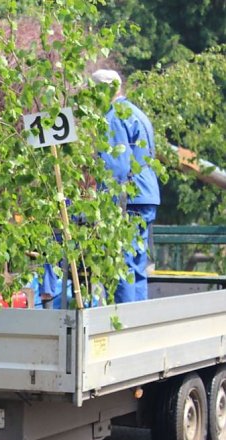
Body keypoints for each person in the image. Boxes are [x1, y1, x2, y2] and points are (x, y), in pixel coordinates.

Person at [93, 68, 160, 303]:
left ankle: (124, 320)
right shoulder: (138, 113)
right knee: (138, 263)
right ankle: (140, 319)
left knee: (122, 263)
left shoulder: (114, 117)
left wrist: (106, 207)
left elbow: (116, 168)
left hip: (128, 199)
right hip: (146, 195)